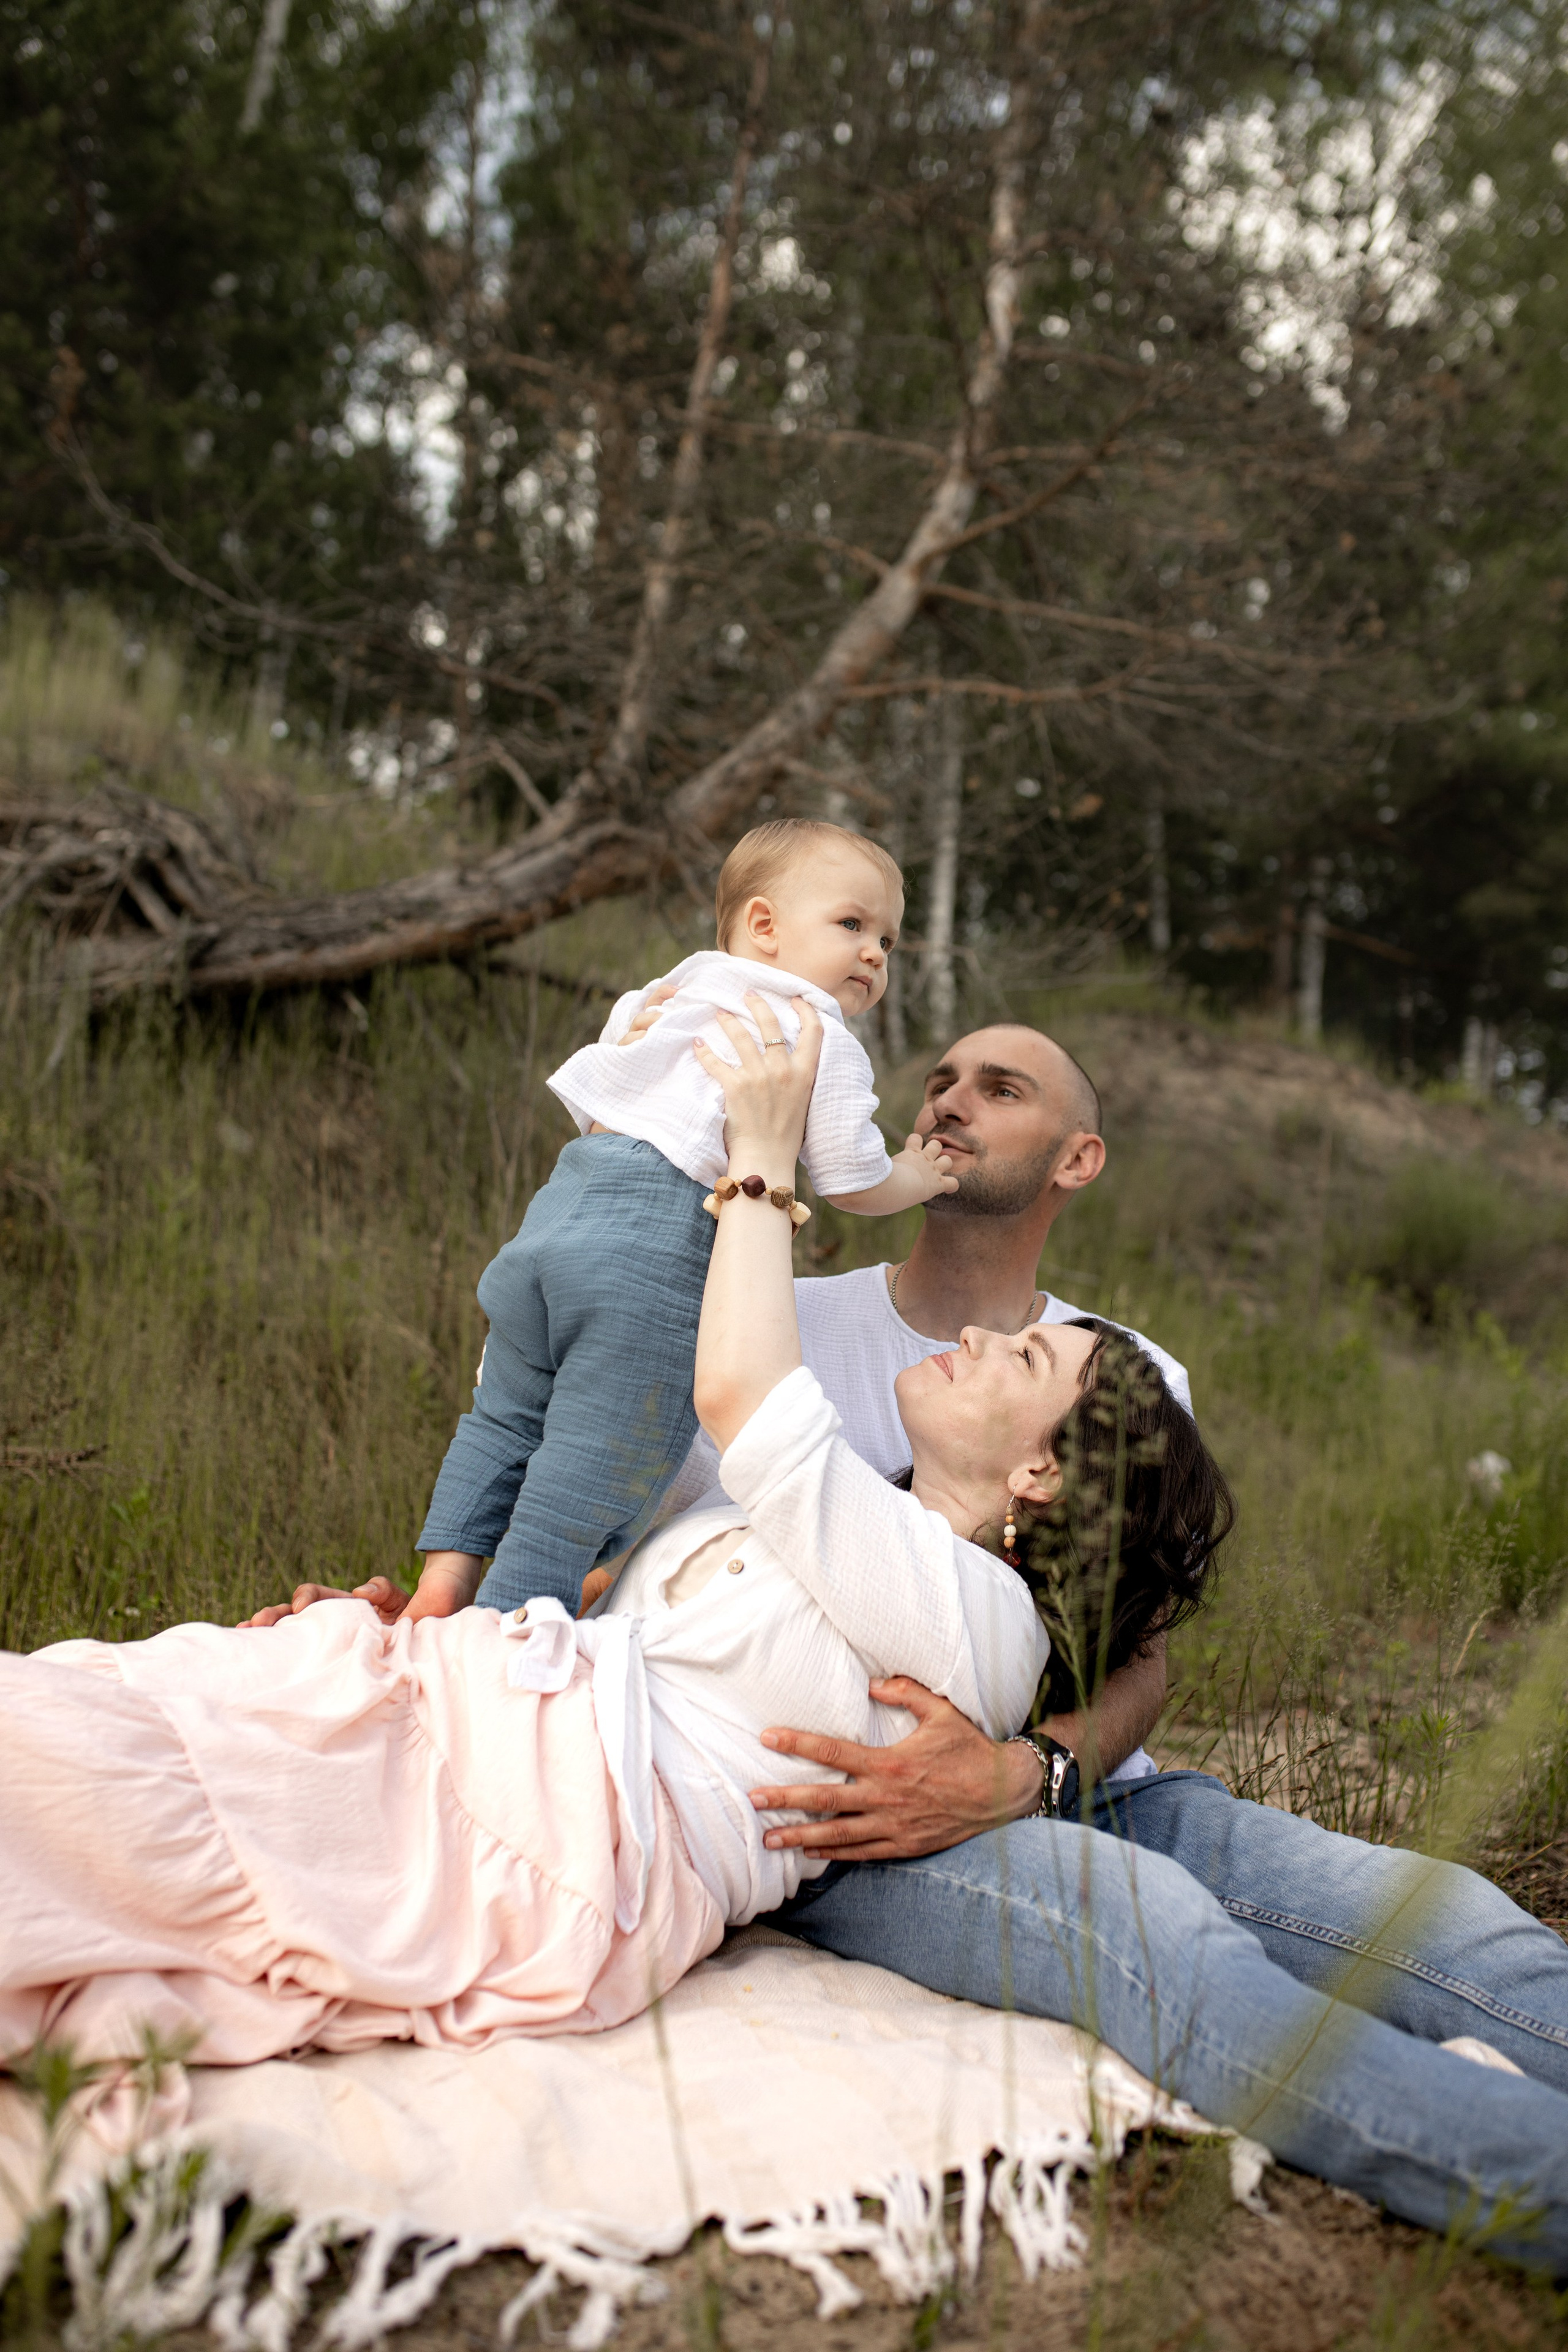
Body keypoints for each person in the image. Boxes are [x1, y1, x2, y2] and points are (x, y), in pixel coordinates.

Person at [1, 1001, 1224, 2088]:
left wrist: (756, 1158)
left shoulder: (978, 1603)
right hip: (544, 1733)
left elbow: (754, 1403)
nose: (950, 1099)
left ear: (1040, 1470)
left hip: (649, 1811)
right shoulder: (856, 1471)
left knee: (1196, 1936)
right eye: (940, 1079)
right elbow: (613, 1557)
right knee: (110, 1715)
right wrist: (423, 1615)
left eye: (999, 1088)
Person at [407, 818, 957, 1627]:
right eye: (852, 924)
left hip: (554, 1219)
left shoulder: (665, 994)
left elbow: (599, 1099)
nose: (875, 954)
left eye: (888, 940)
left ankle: (442, 1581)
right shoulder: (815, 1031)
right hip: (650, 1252)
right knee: (599, 1454)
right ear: (764, 926)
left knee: (505, 1415)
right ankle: (508, 1628)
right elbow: (849, 1176)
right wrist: (917, 1175)